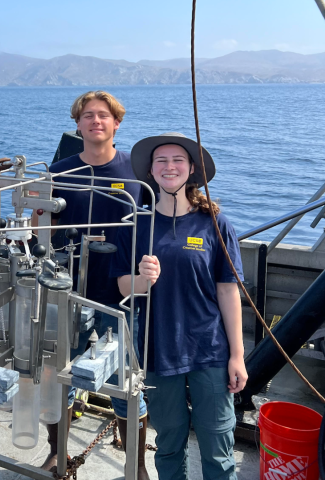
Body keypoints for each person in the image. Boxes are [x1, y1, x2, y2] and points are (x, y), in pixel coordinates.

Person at [113, 132, 248, 480]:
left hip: (210, 351)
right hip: (157, 352)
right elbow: (123, 287)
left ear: (191, 170)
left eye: (178, 160)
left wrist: (237, 355)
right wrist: (143, 279)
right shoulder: (136, 224)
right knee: (169, 443)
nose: (169, 166)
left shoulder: (216, 224)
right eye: (161, 161)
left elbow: (228, 292)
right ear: (151, 171)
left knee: (218, 448)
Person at [36, 91, 150, 479]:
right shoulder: (60, 171)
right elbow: (42, 227)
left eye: (103, 116)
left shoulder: (137, 170)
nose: (95, 121)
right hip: (67, 290)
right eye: (88, 116)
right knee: (58, 380)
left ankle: (136, 465)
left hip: (121, 291)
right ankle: (57, 454)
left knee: (126, 385)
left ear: (117, 123)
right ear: (78, 124)